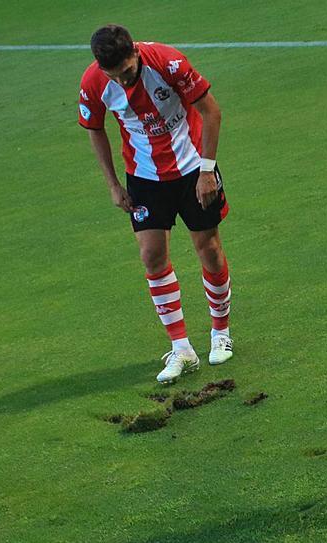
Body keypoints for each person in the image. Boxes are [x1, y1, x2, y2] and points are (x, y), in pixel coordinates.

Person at [78, 24, 233, 384]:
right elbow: (94, 128)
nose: (125, 81)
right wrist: (114, 184)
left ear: (135, 52)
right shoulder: (95, 83)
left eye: (129, 72)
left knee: (208, 248)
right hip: (145, 176)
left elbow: (211, 112)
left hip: (194, 167)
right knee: (151, 255)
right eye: (115, 76)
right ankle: (181, 348)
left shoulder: (168, 62)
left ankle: (220, 331)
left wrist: (207, 171)